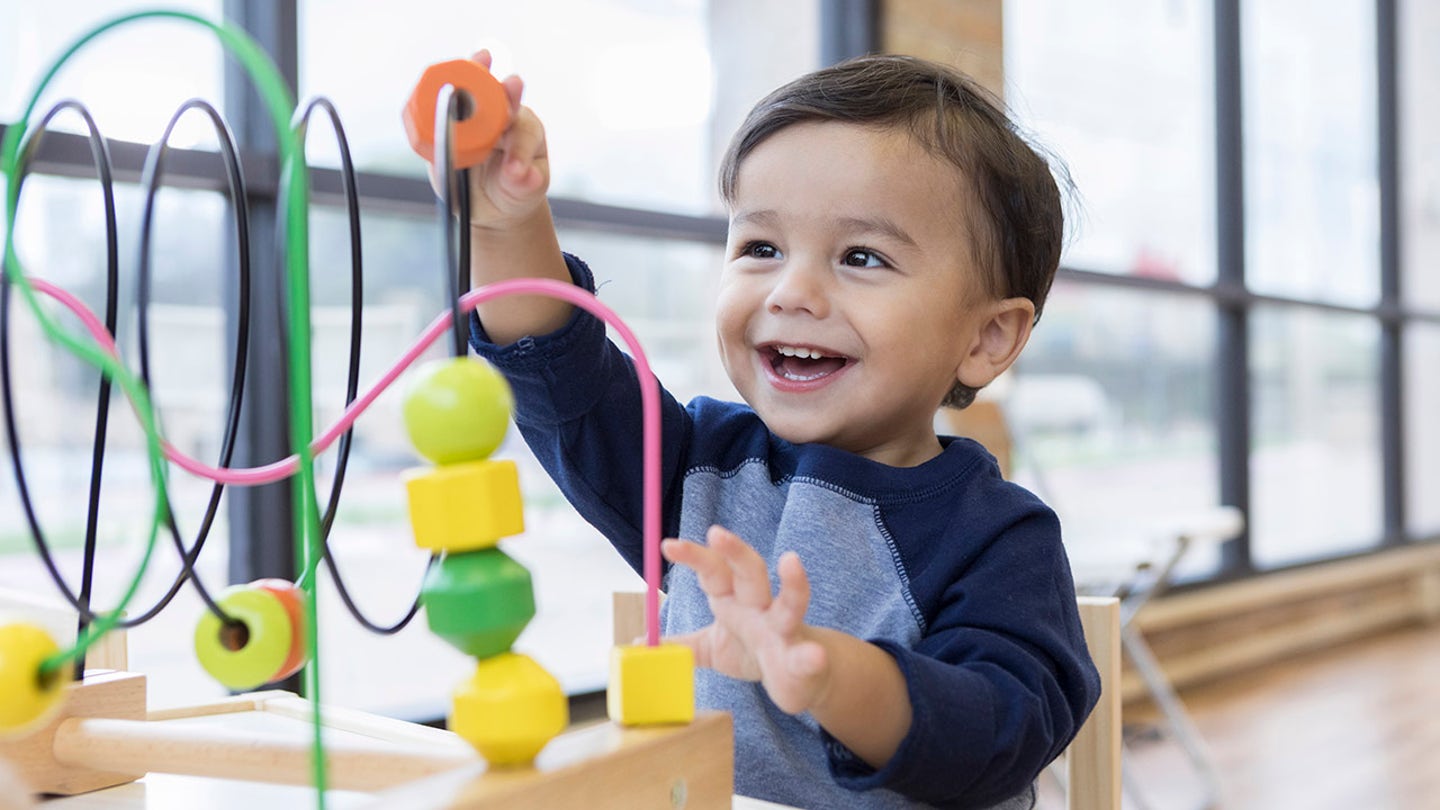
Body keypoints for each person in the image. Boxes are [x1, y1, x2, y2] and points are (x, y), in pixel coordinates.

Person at [451, 51, 1100, 809]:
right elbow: (561, 370)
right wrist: (506, 221)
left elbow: (999, 734)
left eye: (862, 256)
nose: (792, 291)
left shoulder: (998, 537)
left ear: (987, 338)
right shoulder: (697, 465)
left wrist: (824, 671)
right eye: (761, 248)